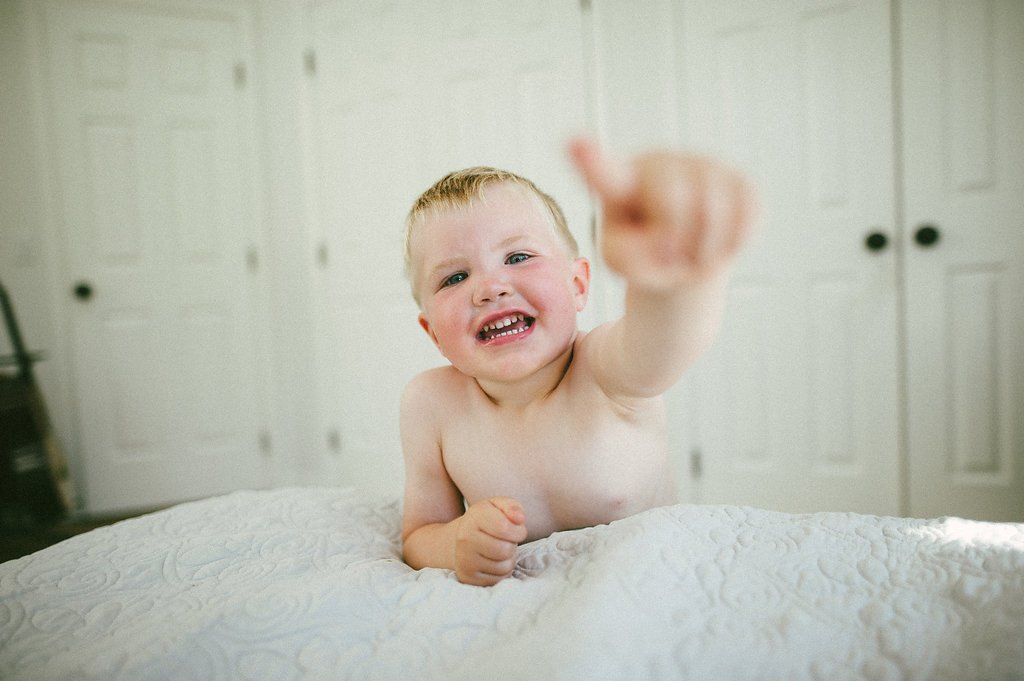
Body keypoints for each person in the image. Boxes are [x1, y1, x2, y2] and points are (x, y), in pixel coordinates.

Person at [400, 138, 757, 586]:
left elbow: (666, 340)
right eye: (454, 276)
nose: (490, 287)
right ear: (432, 331)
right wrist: (455, 543)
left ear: (578, 285)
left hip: (647, 587)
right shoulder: (432, 405)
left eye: (518, 257)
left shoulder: (605, 370)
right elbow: (419, 535)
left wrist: (672, 278)